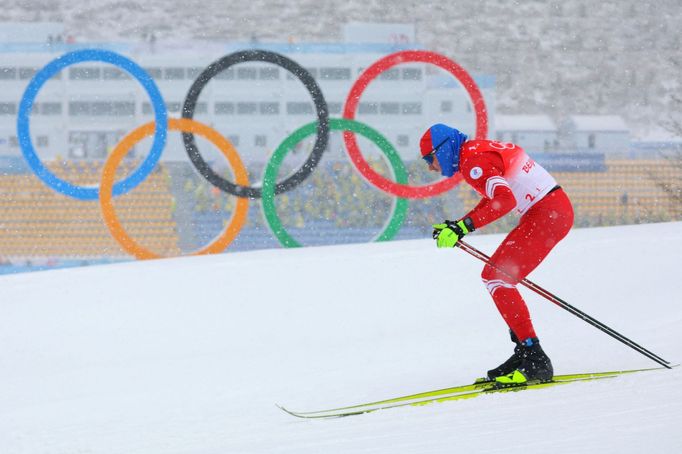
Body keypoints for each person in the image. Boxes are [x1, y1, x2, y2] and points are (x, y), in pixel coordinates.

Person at [420, 123, 574, 385]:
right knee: (494, 277)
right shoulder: (473, 152)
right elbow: (495, 195)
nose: (431, 167)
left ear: (443, 149)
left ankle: (535, 360)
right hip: (549, 210)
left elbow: (504, 201)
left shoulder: (472, 161)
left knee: (497, 278)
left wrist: (463, 227)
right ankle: (526, 353)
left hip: (547, 214)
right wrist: (459, 225)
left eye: (429, 158)